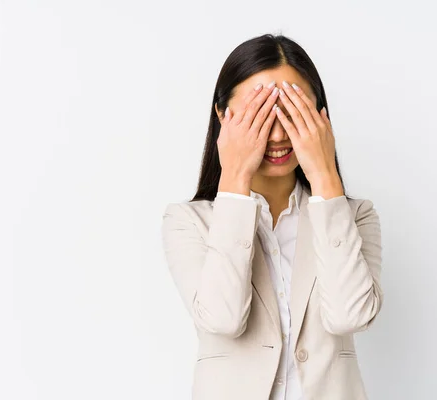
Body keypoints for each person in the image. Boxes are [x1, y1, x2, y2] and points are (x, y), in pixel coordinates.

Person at [161, 33, 384, 400]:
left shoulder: (355, 217)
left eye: (293, 112)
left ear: (320, 117)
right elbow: (222, 319)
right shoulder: (189, 222)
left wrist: (325, 176)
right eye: (261, 113)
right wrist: (234, 179)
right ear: (223, 116)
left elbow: (351, 316)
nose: (279, 134)